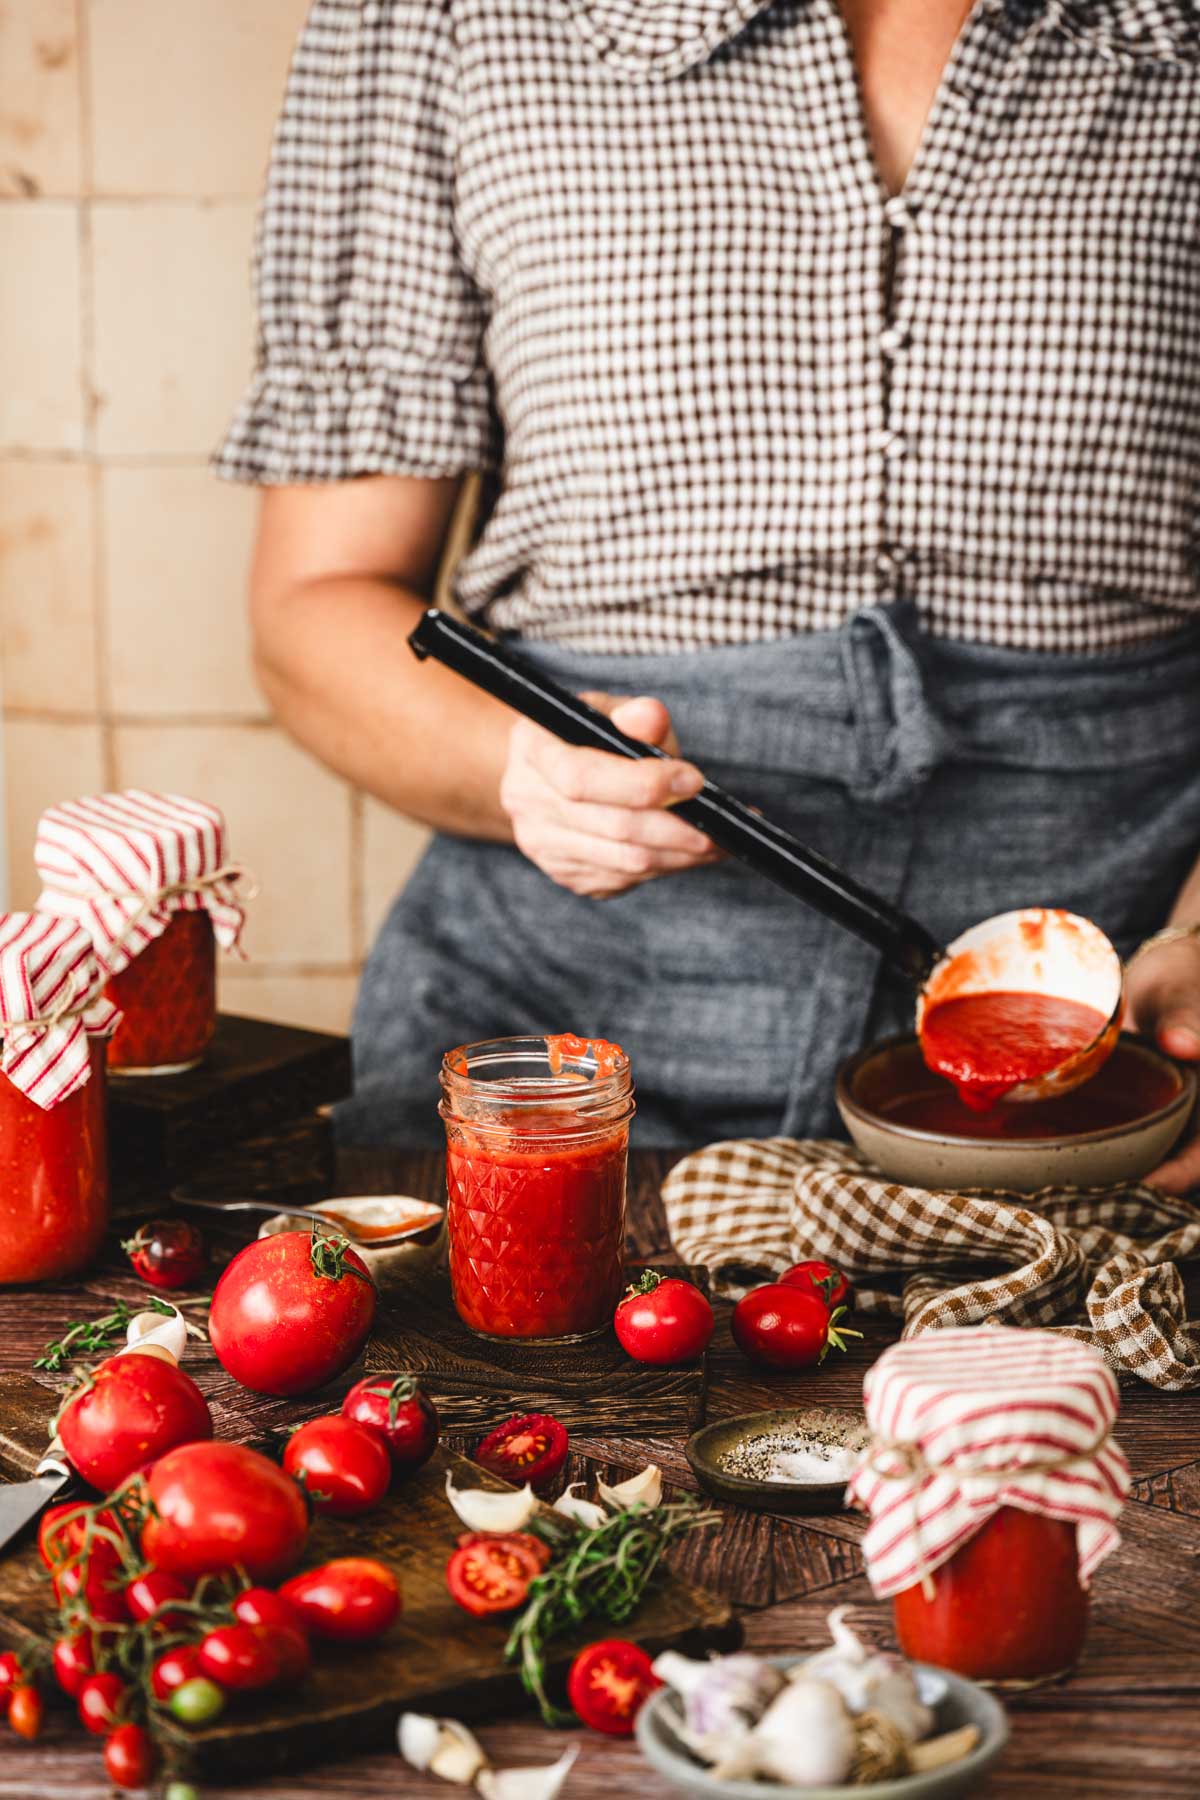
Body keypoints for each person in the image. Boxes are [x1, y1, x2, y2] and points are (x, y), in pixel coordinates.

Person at [216, 0, 1200, 1182]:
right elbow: (316, 605)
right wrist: (521, 770)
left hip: (1118, 1060)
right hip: (563, 1063)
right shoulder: (443, 16)